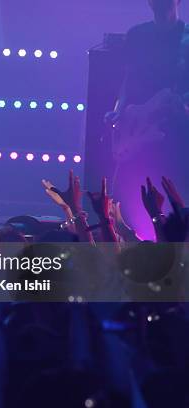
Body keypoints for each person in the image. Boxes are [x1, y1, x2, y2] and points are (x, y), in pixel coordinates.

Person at [105, 0, 189, 240]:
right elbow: (128, 81)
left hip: (177, 133)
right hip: (139, 132)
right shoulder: (137, 35)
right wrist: (118, 111)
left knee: (177, 193)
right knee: (125, 196)